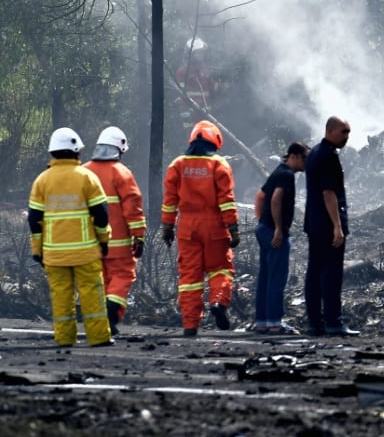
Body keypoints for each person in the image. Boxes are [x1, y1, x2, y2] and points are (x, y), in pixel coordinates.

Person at [27, 128, 113, 347]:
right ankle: (99, 338)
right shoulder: (87, 177)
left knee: (61, 296)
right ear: (76, 150)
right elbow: (101, 214)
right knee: (92, 294)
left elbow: (34, 219)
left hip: (54, 254)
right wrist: (104, 240)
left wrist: (37, 249)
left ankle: (65, 339)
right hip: (86, 252)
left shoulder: (41, 181)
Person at [161, 120, 240, 337]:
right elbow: (226, 200)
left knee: (189, 277)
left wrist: (167, 227)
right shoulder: (219, 165)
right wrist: (233, 228)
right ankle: (218, 302)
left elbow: (169, 201)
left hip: (187, 227)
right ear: (215, 141)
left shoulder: (177, 165)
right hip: (214, 226)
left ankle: (190, 324)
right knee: (221, 268)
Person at [83, 127, 146, 336]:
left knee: (98, 280)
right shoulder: (122, 173)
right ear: (119, 149)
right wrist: (139, 236)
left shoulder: (84, 172)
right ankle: (111, 312)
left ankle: (99, 319)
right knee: (122, 276)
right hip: (118, 245)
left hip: (89, 243)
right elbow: (133, 207)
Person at [304, 116, 360, 337]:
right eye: (343, 132)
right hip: (327, 225)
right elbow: (329, 193)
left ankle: (315, 323)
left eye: (348, 133)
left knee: (314, 272)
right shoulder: (328, 157)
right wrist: (337, 226)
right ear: (330, 130)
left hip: (314, 223)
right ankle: (333, 322)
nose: (346, 137)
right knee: (331, 273)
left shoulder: (314, 153)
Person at [252, 141, 309, 335]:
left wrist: (262, 222)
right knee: (277, 278)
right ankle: (275, 323)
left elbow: (260, 196)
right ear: (294, 156)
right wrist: (277, 228)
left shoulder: (277, 171)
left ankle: (262, 322)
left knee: (265, 277)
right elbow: (275, 199)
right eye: (305, 158)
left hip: (264, 229)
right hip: (274, 232)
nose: (306, 163)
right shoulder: (286, 175)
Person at [175, 37, 215, 127]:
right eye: (199, 52)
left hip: (207, 117)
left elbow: (211, 91)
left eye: (202, 52)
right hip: (191, 119)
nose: (202, 54)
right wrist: (187, 121)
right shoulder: (183, 72)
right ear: (191, 54)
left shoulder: (205, 70)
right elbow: (181, 97)